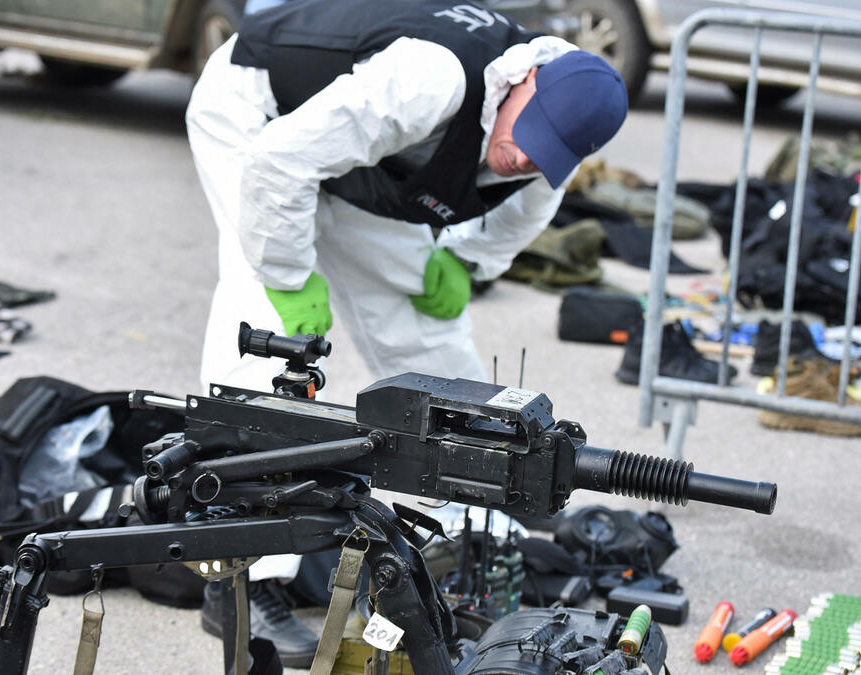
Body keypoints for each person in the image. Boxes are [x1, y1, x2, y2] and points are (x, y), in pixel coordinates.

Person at [185, 0, 628, 666]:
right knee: (265, 331)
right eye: (526, 137)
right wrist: (286, 274)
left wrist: (467, 261)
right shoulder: (431, 78)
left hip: (353, 153)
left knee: (422, 318)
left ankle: (474, 508)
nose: (518, 159)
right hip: (260, 113)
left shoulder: (549, 136)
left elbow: (526, 208)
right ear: (525, 81)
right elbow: (281, 163)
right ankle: (242, 576)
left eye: (544, 155)